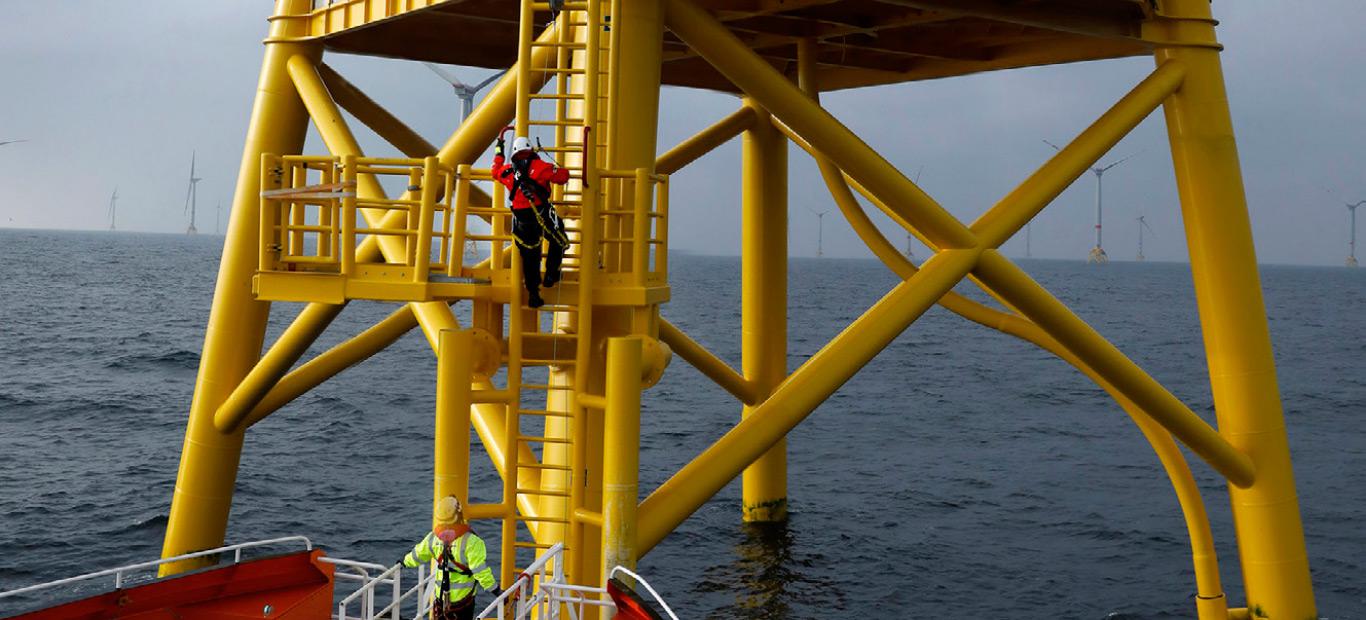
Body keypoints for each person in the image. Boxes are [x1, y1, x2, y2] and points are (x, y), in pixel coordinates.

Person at [492, 135, 571, 309]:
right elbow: (563, 177)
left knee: (530, 256)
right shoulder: (541, 167)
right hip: (542, 214)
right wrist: (555, 166)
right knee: (559, 239)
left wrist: (499, 148)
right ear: (530, 149)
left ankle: (533, 294)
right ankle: (551, 275)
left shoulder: (506, 171)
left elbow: (495, 169)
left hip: (522, 220)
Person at [400, 495, 501, 620]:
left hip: (440, 598)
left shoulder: (433, 538)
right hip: (462, 602)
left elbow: (417, 555)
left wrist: (404, 562)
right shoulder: (472, 542)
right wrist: (495, 590)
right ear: (459, 514)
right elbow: (480, 571)